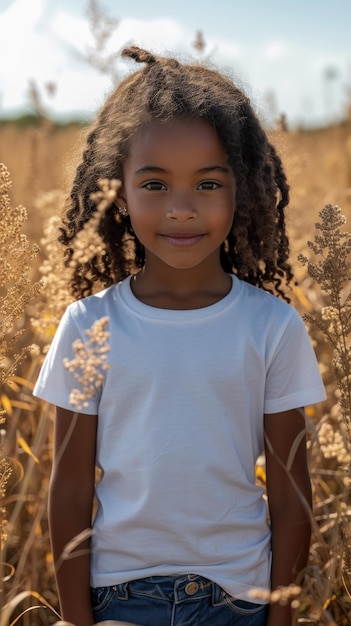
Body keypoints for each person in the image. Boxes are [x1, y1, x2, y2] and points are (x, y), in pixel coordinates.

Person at [33, 46, 326, 626]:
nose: (183, 209)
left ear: (243, 188)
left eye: (209, 184)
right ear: (117, 190)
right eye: (156, 185)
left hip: (241, 599)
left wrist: (281, 616)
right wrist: (74, 619)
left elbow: (293, 499)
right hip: (120, 598)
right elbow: (67, 496)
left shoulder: (272, 326)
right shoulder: (89, 325)